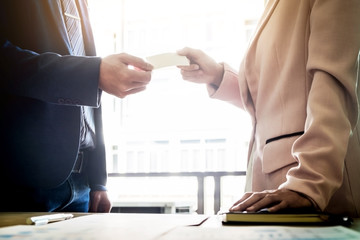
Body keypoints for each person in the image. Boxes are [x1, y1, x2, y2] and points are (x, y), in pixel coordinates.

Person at [178, 0, 360, 217]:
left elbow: (332, 85)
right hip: (277, 185)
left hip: (312, 188)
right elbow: (275, 98)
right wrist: (217, 75)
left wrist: (310, 183)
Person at [0, 0, 153, 212]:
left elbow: (88, 92)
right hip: (25, 179)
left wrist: (98, 179)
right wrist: (93, 72)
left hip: (83, 184)